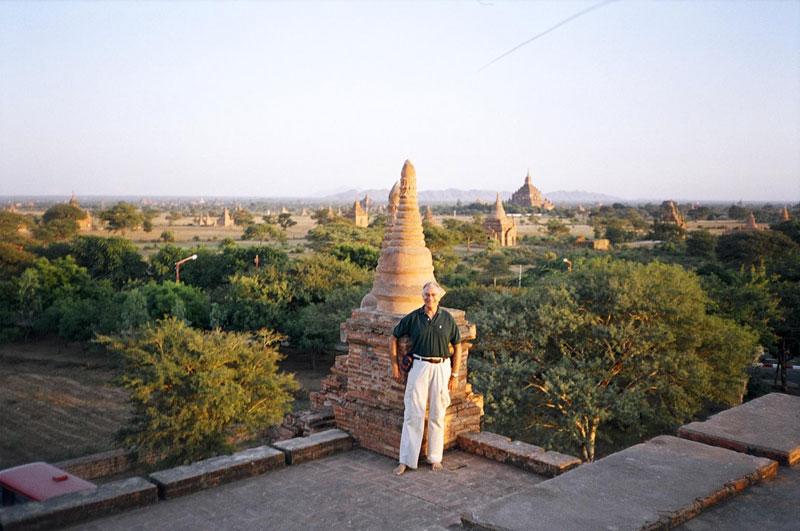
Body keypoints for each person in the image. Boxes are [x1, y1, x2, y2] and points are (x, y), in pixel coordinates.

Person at [391, 281, 461, 475]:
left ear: (439, 297)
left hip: (441, 367)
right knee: (413, 412)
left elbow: (458, 345)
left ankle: (435, 458)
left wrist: (454, 374)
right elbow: (393, 336)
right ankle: (406, 460)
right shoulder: (414, 318)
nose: (429, 298)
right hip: (419, 366)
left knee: (438, 413)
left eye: (433, 295)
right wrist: (395, 365)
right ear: (422, 296)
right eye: (426, 295)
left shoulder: (447, 319)